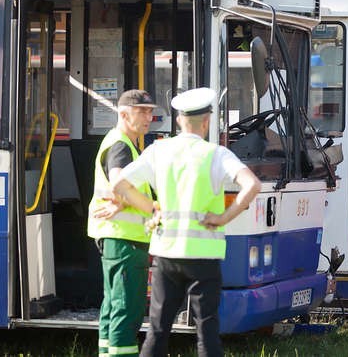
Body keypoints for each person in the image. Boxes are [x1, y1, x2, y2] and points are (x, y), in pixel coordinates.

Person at [110, 87, 261, 357]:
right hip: (204, 257)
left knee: (157, 328)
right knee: (207, 329)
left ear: (179, 121)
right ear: (206, 122)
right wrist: (224, 217)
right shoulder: (216, 154)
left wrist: (149, 209)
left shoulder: (158, 151)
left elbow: (119, 182)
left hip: (166, 254)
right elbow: (252, 185)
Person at [88, 89, 157, 357]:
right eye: (143, 111)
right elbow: (118, 181)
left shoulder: (124, 143)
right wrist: (152, 208)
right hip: (123, 238)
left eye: (151, 111)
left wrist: (123, 200)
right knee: (126, 307)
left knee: (114, 305)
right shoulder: (120, 144)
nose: (149, 118)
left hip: (118, 237)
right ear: (124, 113)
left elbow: (119, 188)